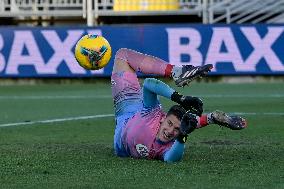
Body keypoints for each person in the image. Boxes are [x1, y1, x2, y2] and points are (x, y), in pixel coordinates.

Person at [111, 48, 247, 163]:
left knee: (188, 122)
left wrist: (182, 135)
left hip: (123, 116)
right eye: (169, 124)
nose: (170, 132)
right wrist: (180, 98)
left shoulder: (168, 146)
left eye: (176, 129)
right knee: (123, 55)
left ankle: (213, 118)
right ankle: (176, 72)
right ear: (162, 119)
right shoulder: (153, 115)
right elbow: (148, 84)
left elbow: (171, 159)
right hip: (128, 104)